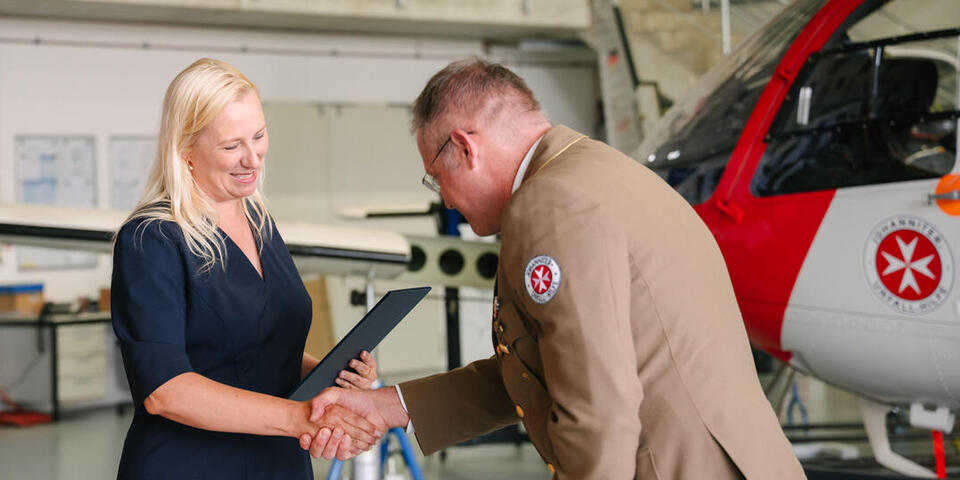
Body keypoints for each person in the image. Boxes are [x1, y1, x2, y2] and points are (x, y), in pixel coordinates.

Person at [305, 58, 807, 479]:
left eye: (438, 179)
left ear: (464, 147)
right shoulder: (600, 174)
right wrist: (388, 405)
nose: (449, 203)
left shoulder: (550, 204)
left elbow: (597, 409)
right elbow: (548, 370)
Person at [111, 58, 381, 480]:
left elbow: (261, 348)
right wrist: (300, 418)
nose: (252, 159)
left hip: (277, 460)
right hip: (192, 465)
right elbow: (166, 391)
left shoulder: (258, 219)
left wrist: (331, 374)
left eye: (258, 135)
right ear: (185, 149)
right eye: (231, 145)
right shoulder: (153, 239)